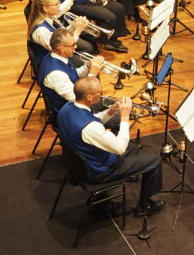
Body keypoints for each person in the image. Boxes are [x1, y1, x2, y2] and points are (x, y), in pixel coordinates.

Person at [59, 76, 166, 217]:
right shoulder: (91, 128)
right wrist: (124, 117)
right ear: (89, 97)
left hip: (80, 162)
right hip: (99, 172)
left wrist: (111, 111)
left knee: (132, 147)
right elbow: (119, 148)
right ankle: (145, 205)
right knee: (154, 160)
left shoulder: (67, 108)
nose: (102, 93)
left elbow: (95, 119)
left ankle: (126, 176)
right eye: (99, 91)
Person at [38, 28, 105, 118]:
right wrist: (92, 75)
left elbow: (73, 74)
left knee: (114, 104)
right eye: (73, 45)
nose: (76, 47)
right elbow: (78, 99)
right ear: (61, 48)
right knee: (118, 116)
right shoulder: (55, 74)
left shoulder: (59, 56)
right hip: (72, 114)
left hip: (80, 103)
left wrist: (88, 67)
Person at [26, 0, 96, 58]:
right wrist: (77, 31)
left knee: (88, 46)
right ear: (45, 8)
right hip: (54, 60)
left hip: (61, 52)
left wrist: (73, 26)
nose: (59, 6)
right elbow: (59, 49)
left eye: (58, 2)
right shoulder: (41, 31)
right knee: (87, 49)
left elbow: (61, 37)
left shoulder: (51, 17)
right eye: (56, 4)